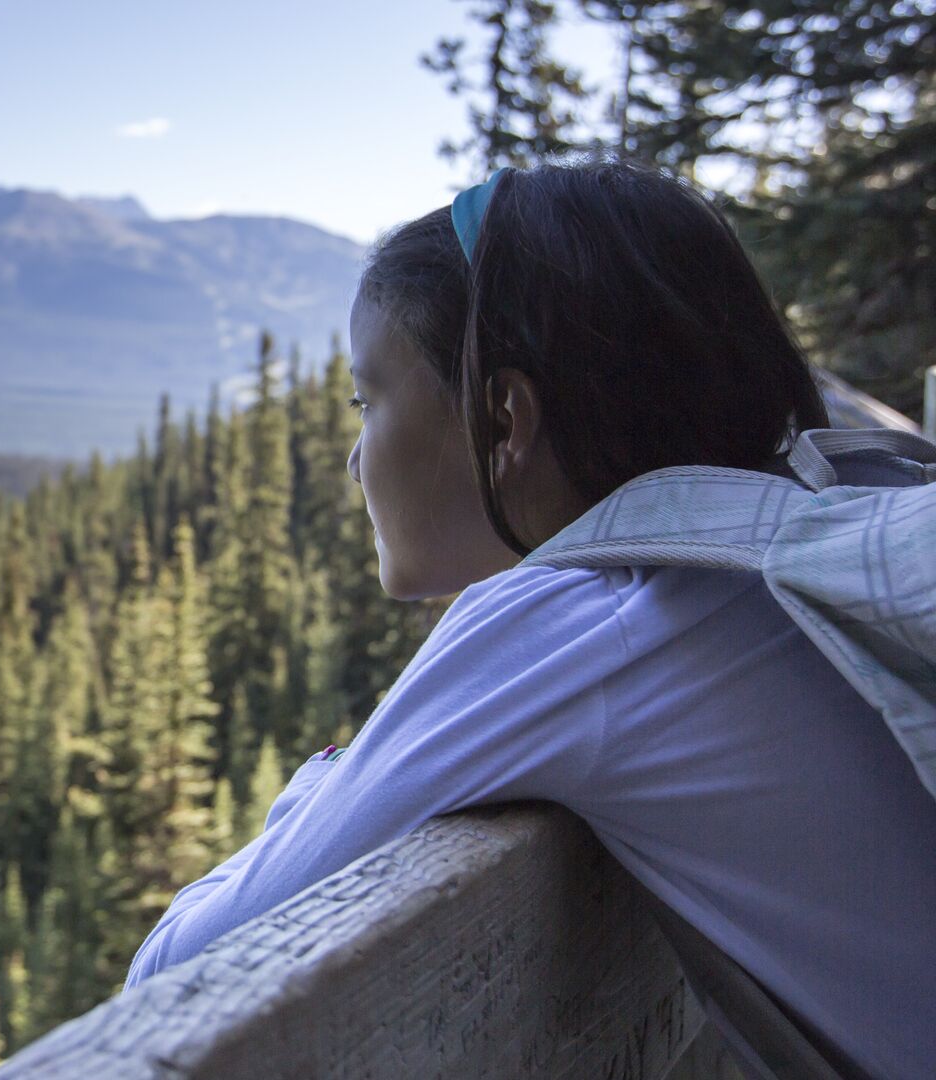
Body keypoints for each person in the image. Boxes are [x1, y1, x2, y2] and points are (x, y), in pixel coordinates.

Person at [121, 161, 936, 1079]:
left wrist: (312, 792)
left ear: (503, 418)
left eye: (368, 400)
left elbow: (180, 971)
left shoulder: (588, 617)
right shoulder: (786, 544)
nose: (355, 460)